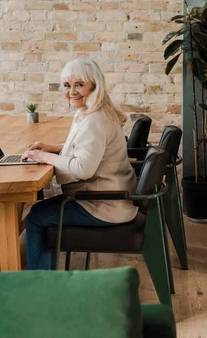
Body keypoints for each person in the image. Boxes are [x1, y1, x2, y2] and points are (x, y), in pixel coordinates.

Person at [21, 58, 137, 270]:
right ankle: (45, 275)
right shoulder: (95, 111)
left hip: (104, 205)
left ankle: (38, 285)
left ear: (94, 85)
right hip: (111, 199)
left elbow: (83, 169)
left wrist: (42, 157)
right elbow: (88, 147)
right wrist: (53, 147)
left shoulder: (95, 120)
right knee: (39, 211)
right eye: (67, 85)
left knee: (36, 217)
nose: (71, 91)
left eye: (79, 85)